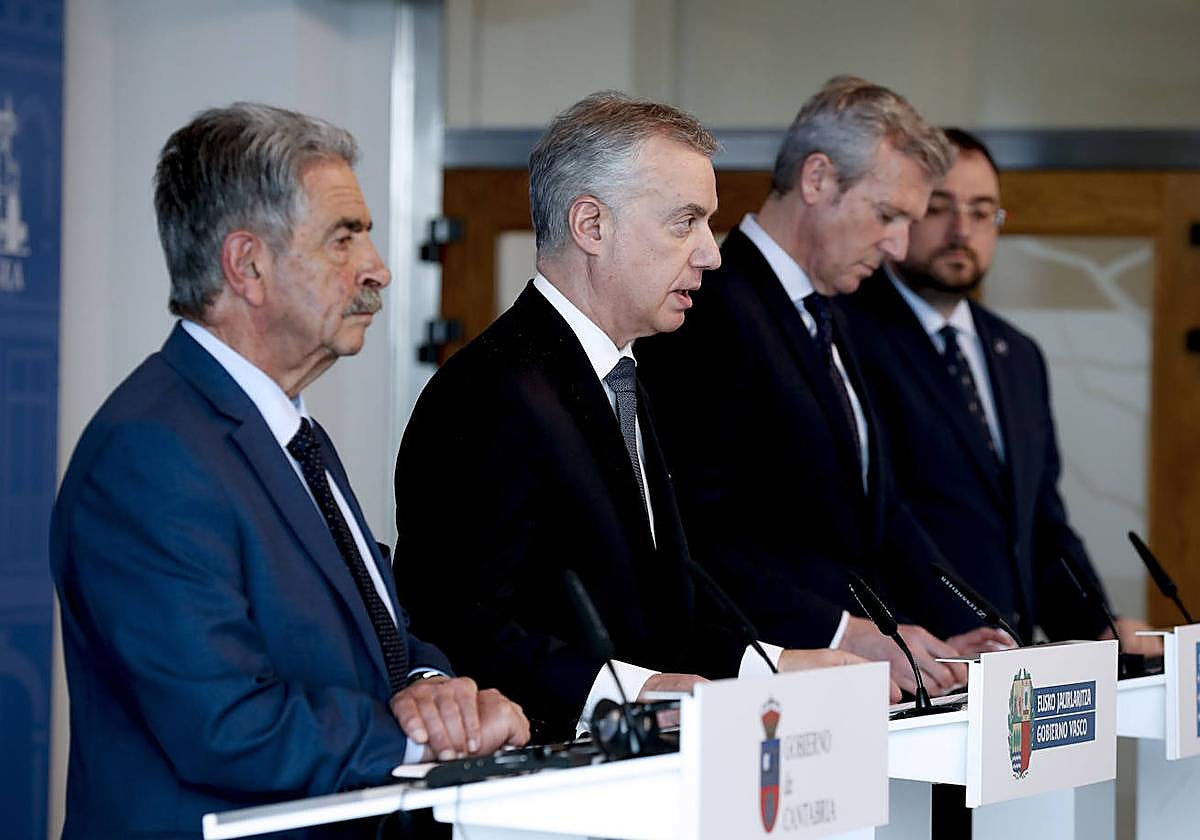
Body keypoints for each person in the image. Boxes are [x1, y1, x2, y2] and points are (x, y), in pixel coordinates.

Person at [50, 103, 528, 839]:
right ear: (247, 265)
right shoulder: (148, 455)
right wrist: (428, 739)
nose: (377, 269)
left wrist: (434, 689)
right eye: (344, 239)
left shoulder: (289, 429)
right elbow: (226, 721)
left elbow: (375, 629)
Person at [394, 91, 878, 742]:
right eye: (685, 222)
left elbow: (657, 597)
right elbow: (458, 623)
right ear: (591, 226)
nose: (711, 253)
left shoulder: (619, 375)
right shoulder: (488, 392)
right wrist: (631, 692)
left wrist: (771, 665)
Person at [637, 77, 1011, 699]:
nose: (896, 246)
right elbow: (695, 537)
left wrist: (944, 635)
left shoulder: (829, 311)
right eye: (887, 215)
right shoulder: (713, 311)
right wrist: (842, 632)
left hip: (845, 687)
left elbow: (872, 517)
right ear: (817, 181)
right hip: (751, 691)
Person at [840, 128, 1158, 651]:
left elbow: (1040, 523)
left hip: (1009, 663)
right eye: (939, 207)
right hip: (906, 663)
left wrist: (1100, 627)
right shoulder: (847, 334)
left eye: (983, 211)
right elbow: (872, 521)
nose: (962, 229)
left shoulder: (1018, 354)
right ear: (903, 211)